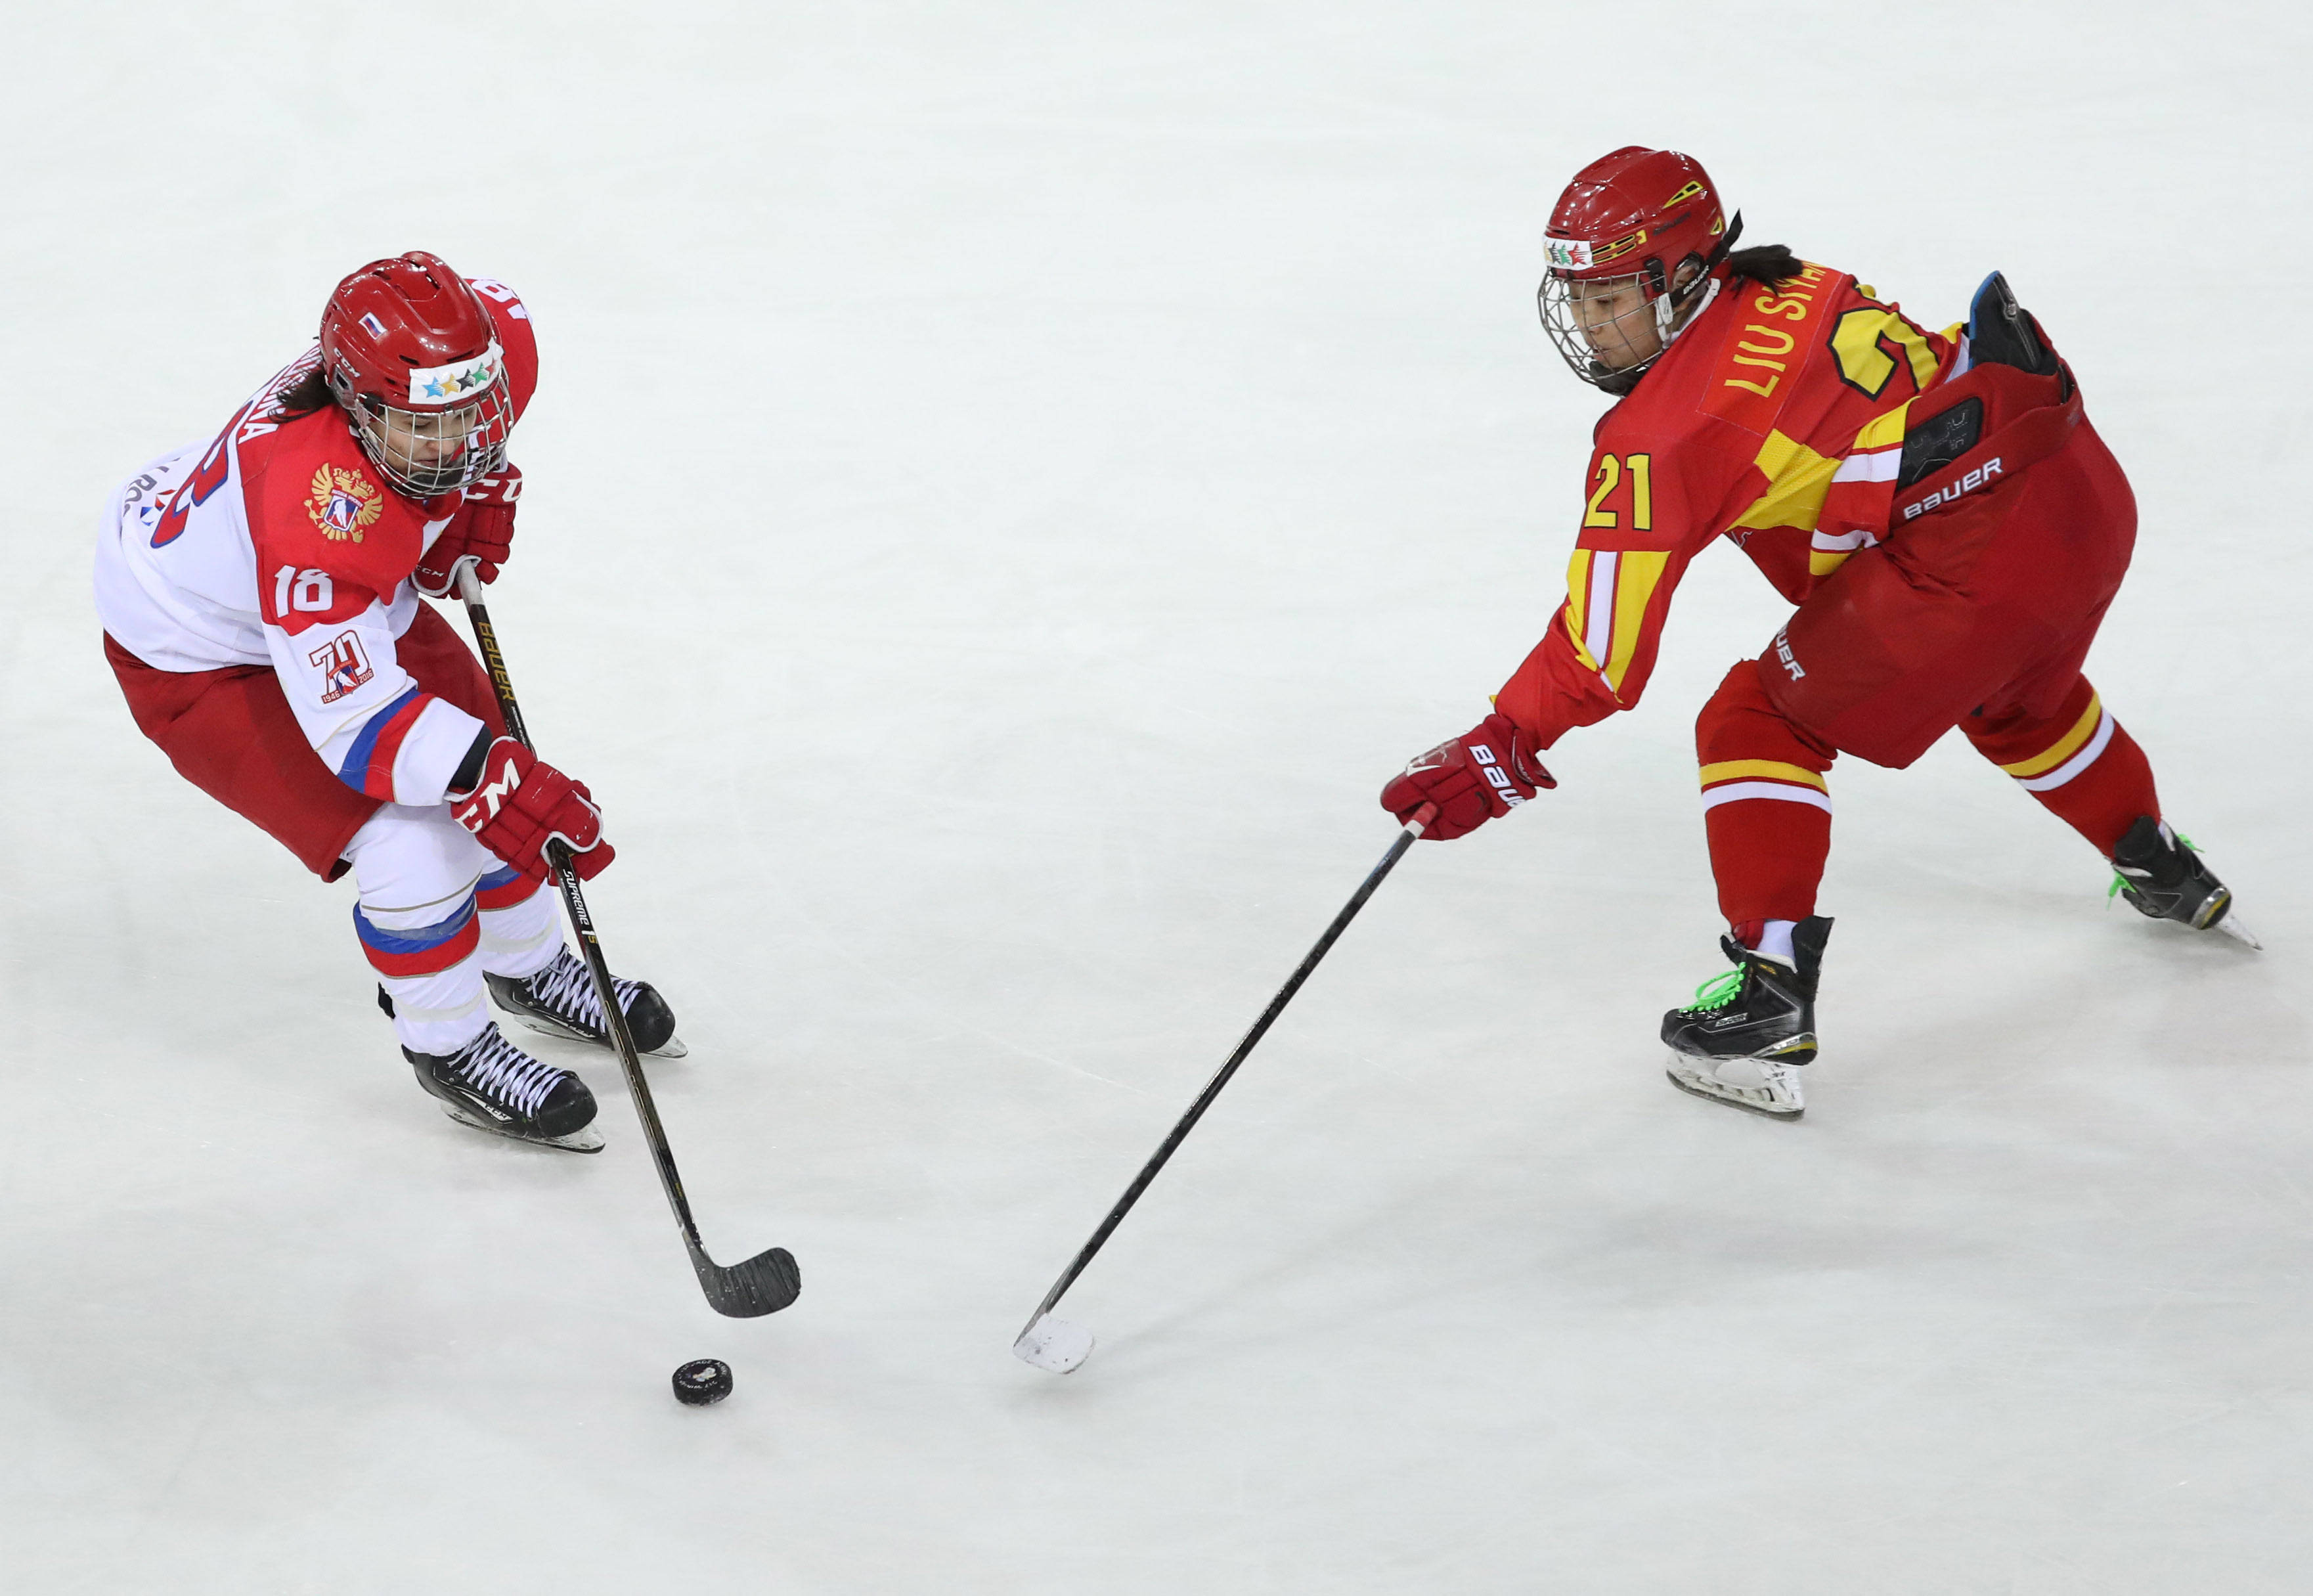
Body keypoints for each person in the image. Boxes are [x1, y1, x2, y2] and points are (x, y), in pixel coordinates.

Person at [1382, 146, 2253, 1120]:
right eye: (1576, 298)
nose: (1587, 323)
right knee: (2018, 701)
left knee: (1754, 719)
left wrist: (1501, 745)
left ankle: (1767, 999)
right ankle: (2161, 865)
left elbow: (1599, 656)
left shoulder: (1659, 439)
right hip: (2079, 497)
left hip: (1971, 567)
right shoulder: (1790, 281)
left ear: (1677, 278)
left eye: (1609, 296)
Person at [95, 252, 681, 1152]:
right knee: (411, 834)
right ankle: (448, 1041)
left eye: (474, 418)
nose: (462, 443)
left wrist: (462, 498)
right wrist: (487, 782)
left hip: (330, 588)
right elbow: (359, 729)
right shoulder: (313, 523)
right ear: (359, 408)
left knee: (483, 748)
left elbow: (489, 324)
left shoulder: (472, 355)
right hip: (202, 654)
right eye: (429, 430)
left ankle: (526, 967)